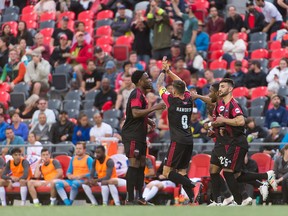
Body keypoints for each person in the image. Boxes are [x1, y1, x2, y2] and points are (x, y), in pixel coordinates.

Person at [156, 57, 197, 205]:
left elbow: (158, 84)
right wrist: (170, 71)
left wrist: (163, 71)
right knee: (181, 172)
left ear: (174, 91)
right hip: (188, 140)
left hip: (177, 141)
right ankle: (193, 199)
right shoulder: (188, 99)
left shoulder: (171, 101)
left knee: (166, 173)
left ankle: (191, 184)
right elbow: (183, 83)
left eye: (172, 89)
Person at [121, 70, 165, 204]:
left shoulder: (142, 95)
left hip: (139, 134)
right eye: (147, 78)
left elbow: (139, 113)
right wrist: (154, 108)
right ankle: (129, 199)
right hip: (132, 134)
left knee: (140, 165)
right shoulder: (136, 94)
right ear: (140, 81)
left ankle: (140, 198)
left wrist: (148, 120)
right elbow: (135, 113)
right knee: (134, 163)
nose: (150, 80)